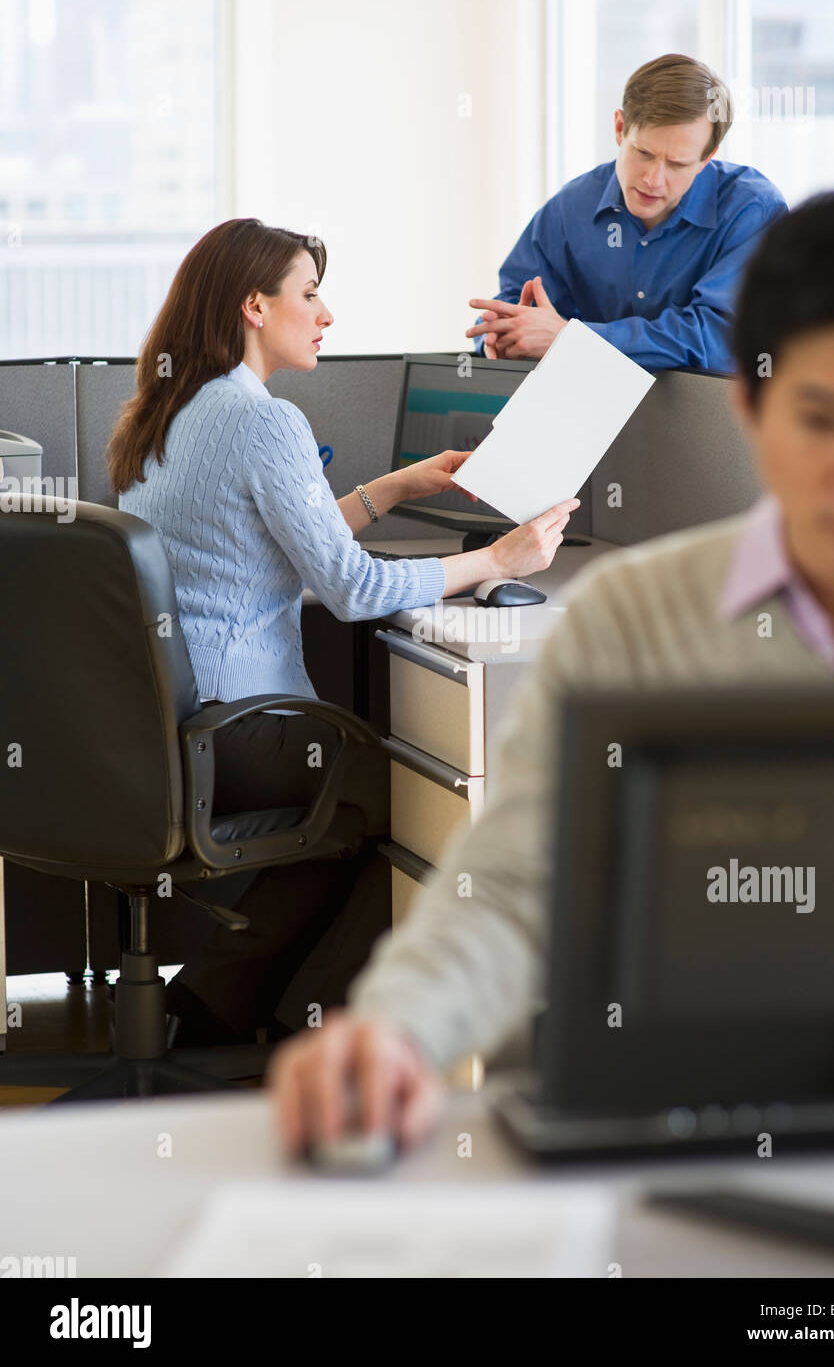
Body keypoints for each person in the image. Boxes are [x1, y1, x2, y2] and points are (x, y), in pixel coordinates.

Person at [268, 188, 834, 1153]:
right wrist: (398, 1031)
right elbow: (510, 890)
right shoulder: (634, 621)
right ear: (747, 402)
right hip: (682, 1150)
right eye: (823, 420)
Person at [107, 217, 579, 1044]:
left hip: (171, 720)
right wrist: (496, 560)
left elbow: (268, 539)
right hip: (242, 727)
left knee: (350, 816)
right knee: (398, 799)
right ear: (255, 305)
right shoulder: (264, 422)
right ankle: (297, 1029)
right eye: (310, 294)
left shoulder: (170, 407)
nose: (326, 315)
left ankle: (218, 1009)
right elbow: (355, 589)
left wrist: (393, 488)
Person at [466, 52, 786, 373]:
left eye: (677, 164)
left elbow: (722, 337)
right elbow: (513, 304)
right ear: (620, 128)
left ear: (707, 157)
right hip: (589, 412)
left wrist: (573, 340)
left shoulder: (752, 211)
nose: (653, 179)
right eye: (644, 153)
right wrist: (505, 335)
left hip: (707, 418)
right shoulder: (572, 207)